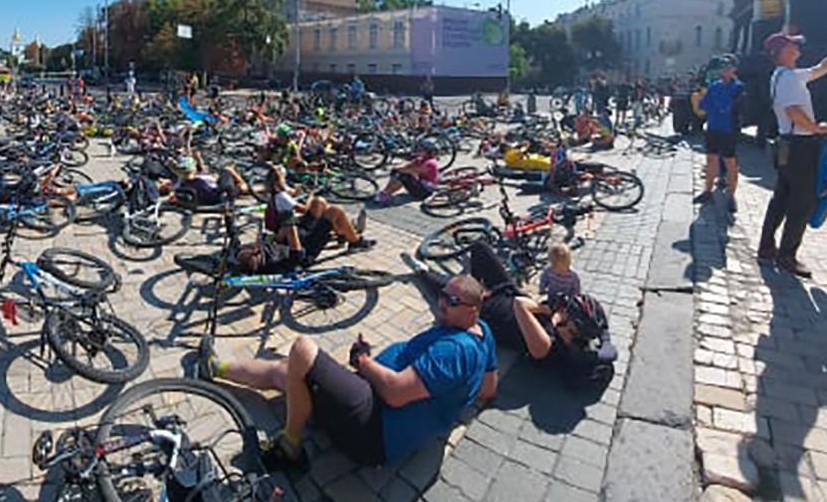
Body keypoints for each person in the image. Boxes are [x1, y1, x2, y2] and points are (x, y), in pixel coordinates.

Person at [196, 273, 496, 470]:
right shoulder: (481, 331)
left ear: (471, 309)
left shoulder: (455, 350)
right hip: (371, 404)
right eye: (442, 294)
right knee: (291, 372)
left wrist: (364, 362)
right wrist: (448, 407)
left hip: (375, 425)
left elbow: (395, 394)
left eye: (451, 301)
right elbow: (487, 389)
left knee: (302, 350)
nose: (441, 303)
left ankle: (289, 446)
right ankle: (214, 368)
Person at [757, 22, 827, 278]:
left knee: (781, 197)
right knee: (802, 202)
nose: (797, 46)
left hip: (789, 144)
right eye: (792, 43)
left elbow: (824, 67)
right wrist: (817, 128)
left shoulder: (784, 76)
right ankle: (787, 255)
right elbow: (793, 111)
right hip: (800, 146)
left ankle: (767, 247)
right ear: (783, 51)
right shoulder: (789, 79)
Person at [462, 241, 614, 387]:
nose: (564, 309)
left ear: (572, 330)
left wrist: (547, 311)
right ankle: (474, 286)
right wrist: (604, 335)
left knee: (447, 288)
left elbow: (520, 305)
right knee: (479, 247)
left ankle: (472, 291)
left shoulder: (545, 346)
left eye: (566, 313)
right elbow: (607, 343)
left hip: (486, 309)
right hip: (507, 291)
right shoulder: (578, 335)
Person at [695, 56, 744, 211]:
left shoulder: (738, 87)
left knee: (730, 163)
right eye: (723, 67)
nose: (725, 70)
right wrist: (716, 103)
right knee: (711, 160)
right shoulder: (714, 86)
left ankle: (731, 196)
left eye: (729, 67)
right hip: (713, 127)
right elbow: (703, 105)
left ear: (734, 69)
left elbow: (727, 107)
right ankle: (707, 191)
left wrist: (716, 104)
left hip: (728, 129)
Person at [372, 139, 441, 206]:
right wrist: (396, 167)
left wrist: (399, 169)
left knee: (404, 176)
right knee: (397, 172)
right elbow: (407, 164)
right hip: (420, 185)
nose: (418, 150)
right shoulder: (420, 159)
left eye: (421, 149)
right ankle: (385, 192)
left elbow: (413, 170)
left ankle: (386, 195)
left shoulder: (431, 163)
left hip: (425, 191)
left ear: (427, 151)